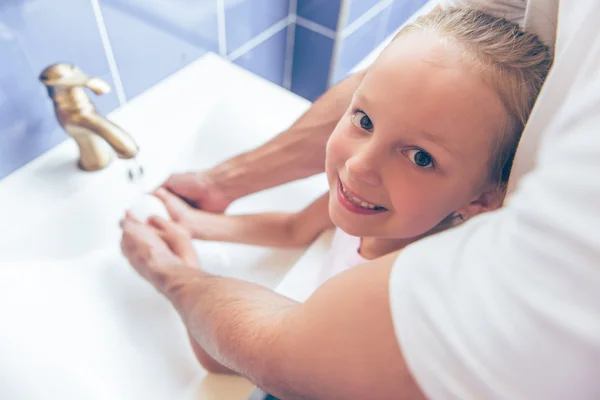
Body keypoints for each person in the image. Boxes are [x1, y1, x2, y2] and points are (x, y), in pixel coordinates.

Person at [120, 0, 600, 398]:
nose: (359, 167)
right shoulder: (364, 208)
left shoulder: (424, 278)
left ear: (482, 200)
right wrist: (192, 222)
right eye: (364, 120)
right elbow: (293, 228)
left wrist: (179, 263)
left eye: (419, 157)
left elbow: (218, 357)